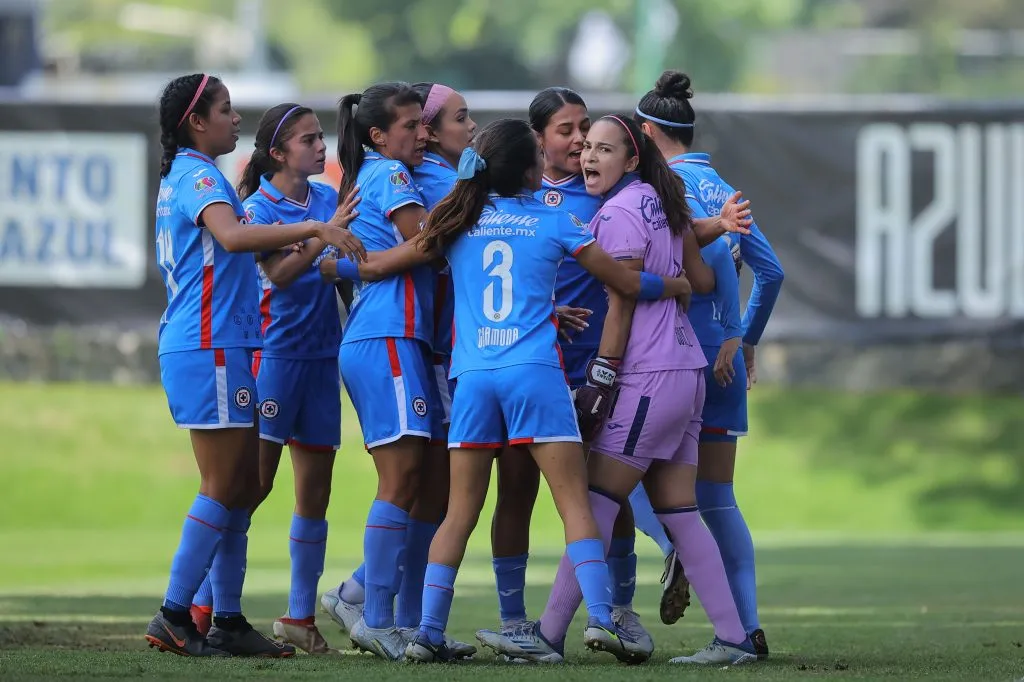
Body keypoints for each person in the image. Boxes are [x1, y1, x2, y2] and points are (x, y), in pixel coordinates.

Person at [481, 115, 757, 666]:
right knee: (679, 509)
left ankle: (549, 633)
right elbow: (702, 282)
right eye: (587, 148)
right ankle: (735, 638)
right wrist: (691, 253)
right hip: (687, 370)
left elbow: (623, 301)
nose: (589, 157)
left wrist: (604, 374)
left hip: (649, 376)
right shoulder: (661, 199)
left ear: (632, 160)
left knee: (598, 502)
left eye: (604, 150)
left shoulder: (619, 212)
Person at [144, 73, 362, 658]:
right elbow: (235, 238)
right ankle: (174, 612)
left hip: (226, 345)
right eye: (225, 109)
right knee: (224, 485)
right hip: (208, 343)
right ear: (196, 121)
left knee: (238, 486)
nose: (235, 118)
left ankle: (228, 619)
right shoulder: (197, 175)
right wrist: (318, 228)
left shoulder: (194, 174)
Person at [320, 82, 478, 660]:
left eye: (421, 124)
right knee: (403, 480)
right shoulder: (385, 174)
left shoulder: (395, 173)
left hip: (407, 343)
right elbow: (428, 243)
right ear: (379, 136)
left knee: (425, 487)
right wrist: (474, 200)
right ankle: (375, 614)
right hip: (385, 338)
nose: (420, 134)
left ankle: (408, 624)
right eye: (409, 126)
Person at [632, 70, 784, 659]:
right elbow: (771, 273)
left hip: (670, 359)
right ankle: (747, 631)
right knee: (719, 497)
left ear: (646, 134)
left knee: (613, 474)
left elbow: (701, 255)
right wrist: (743, 337)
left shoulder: (661, 193)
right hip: (723, 362)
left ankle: (675, 546)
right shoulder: (724, 190)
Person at [234, 102, 358, 654]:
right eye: (308, 140)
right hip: (275, 359)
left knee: (316, 493)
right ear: (278, 153)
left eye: (319, 137)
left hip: (321, 359)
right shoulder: (257, 209)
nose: (319, 146)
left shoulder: (329, 200)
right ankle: (213, 608)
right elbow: (280, 274)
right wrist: (322, 236)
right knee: (251, 488)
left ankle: (299, 616)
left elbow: (338, 268)